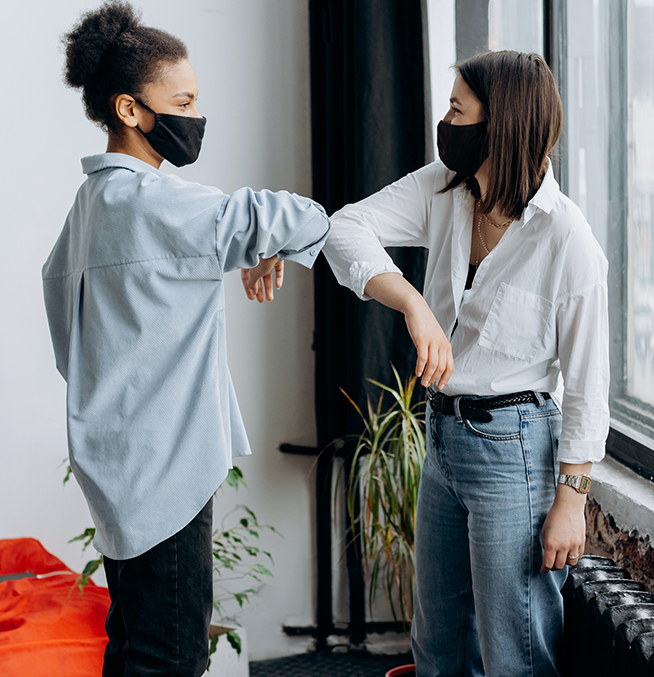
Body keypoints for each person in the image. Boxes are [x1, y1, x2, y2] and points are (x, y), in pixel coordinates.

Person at [42, 2, 329, 675]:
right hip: (167, 475)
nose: (196, 116)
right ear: (131, 109)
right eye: (184, 100)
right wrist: (279, 237)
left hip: (118, 468)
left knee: (138, 644)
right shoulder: (159, 205)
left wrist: (263, 242)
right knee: (169, 657)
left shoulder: (88, 212)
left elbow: (69, 346)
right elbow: (285, 214)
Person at [323, 50, 608, 677]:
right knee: (436, 647)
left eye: (457, 109)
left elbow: (588, 387)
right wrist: (411, 305)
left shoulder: (567, 238)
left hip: (516, 448)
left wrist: (571, 501)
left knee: (515, 653)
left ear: (499, 124)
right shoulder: (444, 189)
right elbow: (345, 227)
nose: (444, 121)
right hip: (445, 437)